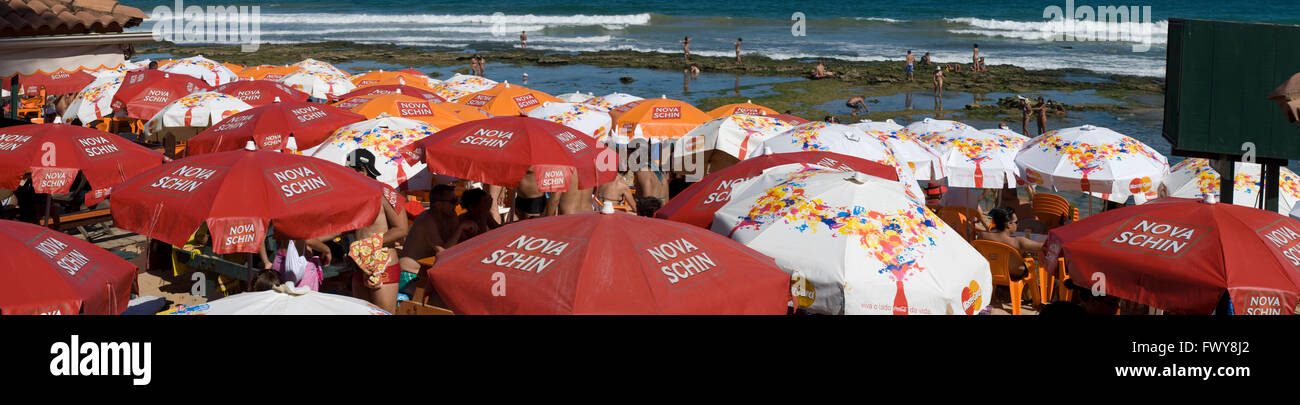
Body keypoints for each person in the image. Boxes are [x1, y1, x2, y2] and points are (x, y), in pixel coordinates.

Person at [343, 149, 409, 314]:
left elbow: (401, 229)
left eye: (348, 170)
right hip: (360, 264)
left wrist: (367, 246)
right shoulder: (354, 196)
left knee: (383, 313)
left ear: (363, 170)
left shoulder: (387, 192)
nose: (345, 175)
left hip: (383, 264)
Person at [399, 184, 475, 285]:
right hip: (409, 275)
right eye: (453, 201)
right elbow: (443, 253)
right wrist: (460, 228)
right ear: (439, 204)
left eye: (456, 200)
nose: (456, 204)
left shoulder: (450, 216)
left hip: (426, 272)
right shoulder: (426, 220)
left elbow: (461, 244)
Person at [976, 207, 1044, 279]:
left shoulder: (983, 236)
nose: (1017, 225)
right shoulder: (1018, 242)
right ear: (1008, 224)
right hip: (1013, 275)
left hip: (991, 272)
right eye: (1016, 222)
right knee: (1028, 261)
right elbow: (1043, 246)